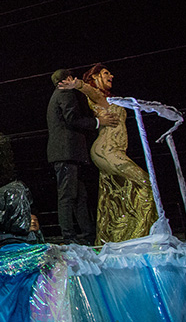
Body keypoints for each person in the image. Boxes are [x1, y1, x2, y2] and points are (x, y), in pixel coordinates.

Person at [60, 64, 158, 244]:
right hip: (107, 151)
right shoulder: (101, 100)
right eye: (106, 73)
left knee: (116, 197)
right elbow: (91, 92)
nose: (111, 75)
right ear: (96, 77)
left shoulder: (113, 99)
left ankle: (118, 239)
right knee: (146, 183)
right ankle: (140, 237)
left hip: (117, 151)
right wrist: (78, 84)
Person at [47, 68, 117, 244]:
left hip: (69, 154)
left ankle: (88, 235)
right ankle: (69, 237)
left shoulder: (57, 95)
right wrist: (99, 122)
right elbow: (72, 119)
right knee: (67, 196)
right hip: (66, 153)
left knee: (79, 196)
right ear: (68, 79)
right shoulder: (65, 94)